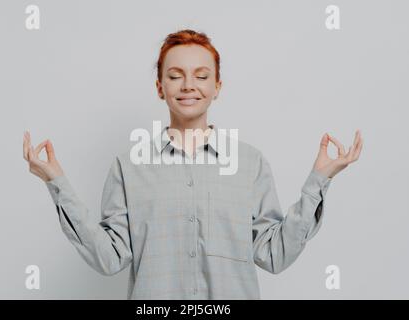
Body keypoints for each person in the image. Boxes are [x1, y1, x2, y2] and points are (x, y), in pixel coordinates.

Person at [22, 29, 363, 299]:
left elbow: (274, 255)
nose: (188, 85)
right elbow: (110, 258)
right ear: (160, 87)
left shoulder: (250, 162)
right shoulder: (128, 167)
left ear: (217, 86)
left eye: (201, 76)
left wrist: (319, 179)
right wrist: (56, 182)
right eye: (175, 75)